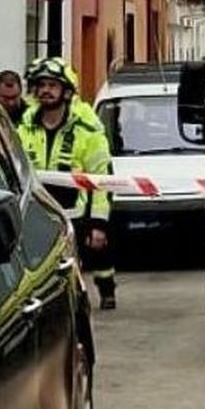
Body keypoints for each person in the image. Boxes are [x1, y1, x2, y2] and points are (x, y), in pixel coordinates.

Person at [17, 58, 118, 309]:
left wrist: (98, 224)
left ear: (66, 91)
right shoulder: (23, 129)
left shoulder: (87, 132)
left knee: (93, 256)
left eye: (52, 85)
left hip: (76, 215)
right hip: (36, 214)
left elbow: (101, 180)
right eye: (41, 85)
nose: (46, 91)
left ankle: (105, 290)